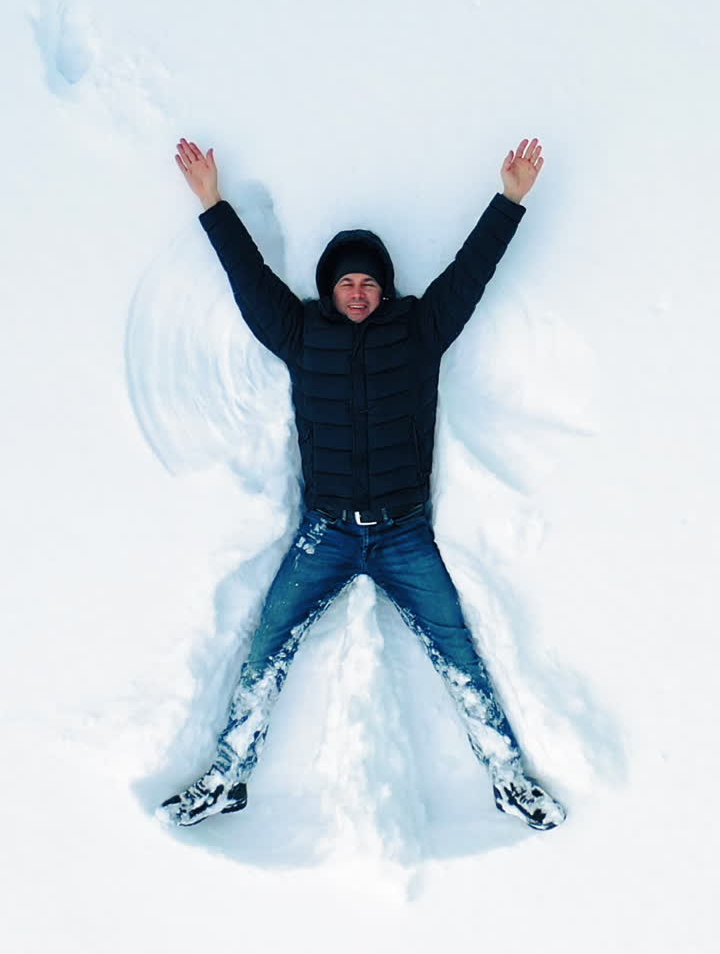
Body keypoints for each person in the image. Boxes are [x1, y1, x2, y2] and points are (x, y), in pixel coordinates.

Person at [157, 137, 565, 833]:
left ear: (384, 287)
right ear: (329, 287)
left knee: (458, 651)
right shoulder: (299, 333)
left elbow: (470, 274)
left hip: (405, 534)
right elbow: (251, 282)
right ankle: (228, 776)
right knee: (268, 646)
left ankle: (507, 776)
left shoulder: (421, 329)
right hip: (326, 533)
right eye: (346, 282)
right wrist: (212, 203)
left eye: (368, 282)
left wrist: (510, 199)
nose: (357, 292)